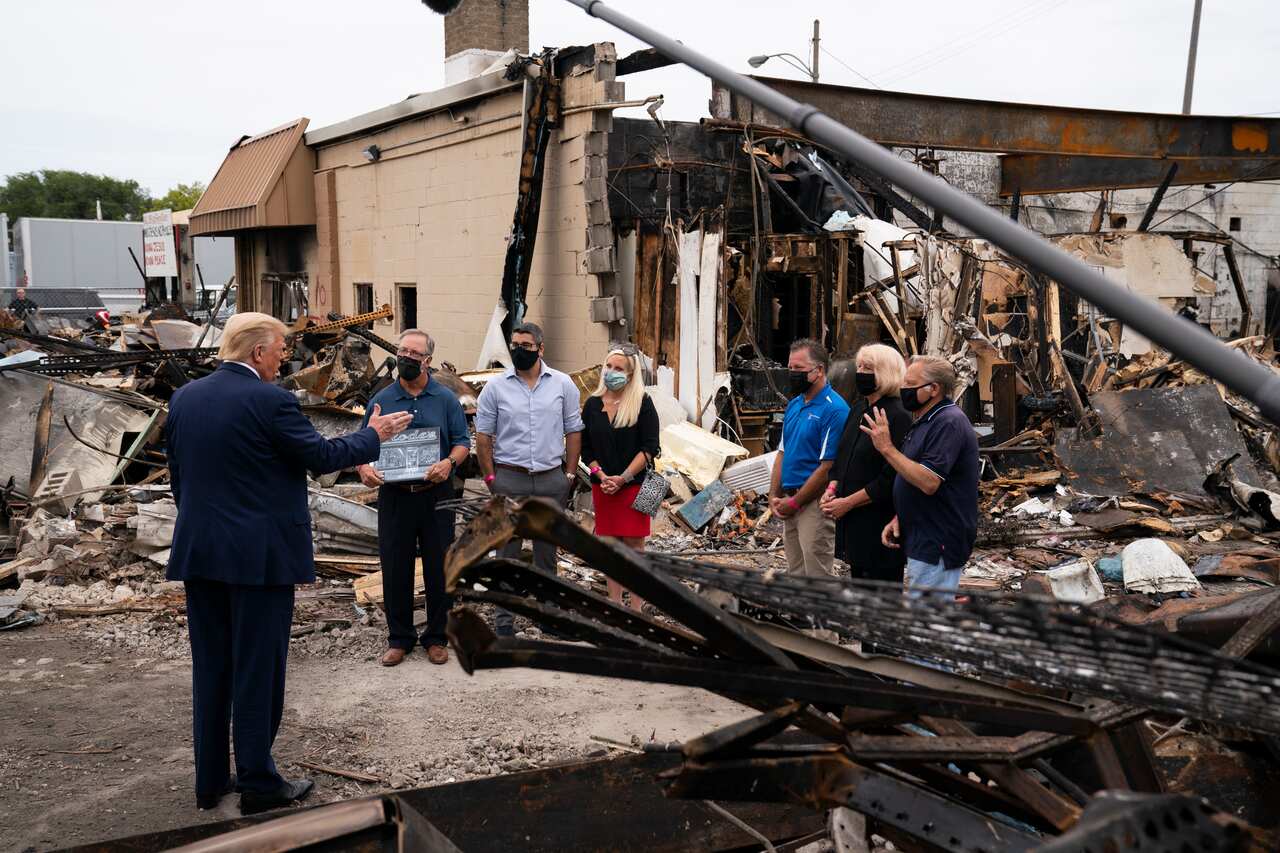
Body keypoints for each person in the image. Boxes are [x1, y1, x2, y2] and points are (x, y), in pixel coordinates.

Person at [165, 312, 411, 815]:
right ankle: (258, 782)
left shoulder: (185, 397)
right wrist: (373, 436)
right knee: (257, 669)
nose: (285, 357)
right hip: (258, 559)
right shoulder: (270, 399)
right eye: (280, 348)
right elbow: (319, 456)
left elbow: (179, 477)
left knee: (211, 669)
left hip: (201, 552)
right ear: (257, 352)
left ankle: (210, 781)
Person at [357, 329, 471, 668]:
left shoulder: (446, 399)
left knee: (439, 568)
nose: (405, 357)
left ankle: (436, 638)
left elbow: (463, 442)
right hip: (394, 495)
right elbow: (363, 443)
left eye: (413, 353)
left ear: (427, 361)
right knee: (395, 567)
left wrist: (449, 463)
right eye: (401, 351)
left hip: (435, 494)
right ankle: (400, 639)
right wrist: (363, 467)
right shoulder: (382, 399)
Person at [474, 322, 584, 636]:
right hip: (510, 479)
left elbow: (573, 430)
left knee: (546, 557)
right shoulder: (496, 388)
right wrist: (492, 479)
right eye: (515, 345)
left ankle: (547, 619)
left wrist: (570, 474)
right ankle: (504, 625)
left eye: (526, 346)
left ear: (540, 348)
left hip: (551, 481)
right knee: (507, 555)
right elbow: (483, 438)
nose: (519, 351)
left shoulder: (563, 384)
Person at [861, 355, 979, 597]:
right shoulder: (925, 421)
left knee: (927, 620)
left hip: (939, 537)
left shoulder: (948, 422)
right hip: (921, 532)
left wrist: (887, 448)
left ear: (933, 389)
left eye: (910, 385)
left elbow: (928, 481)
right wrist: (900, 517)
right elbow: (910, 474)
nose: (903, 389)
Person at [820, 344, 911, 583]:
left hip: (879, 522)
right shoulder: (859, 408)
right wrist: (832, 489)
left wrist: (847, 503)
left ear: (886, 372)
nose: (860, 372)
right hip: (853, 522)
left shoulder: (898, 415)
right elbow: (842, 458)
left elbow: (890, 478)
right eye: (859, 366)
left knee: (880, 596)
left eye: (868, 368)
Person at [580, 343, 660, 610]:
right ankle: (615, 604)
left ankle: (636, 608)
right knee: (611, 546)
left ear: (630, 374)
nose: (611, 372)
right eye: (609, 367)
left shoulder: (642, 404)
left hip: (634, 485)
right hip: (603, 487)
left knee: (635, 545)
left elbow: (650, 447)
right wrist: (600, 475)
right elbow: (585, 449)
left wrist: (622, 478)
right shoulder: (592, 405)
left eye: (618, 369)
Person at [769, 339, 850, 578]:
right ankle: (797, 616)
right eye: (790, 368)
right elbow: (782, 453)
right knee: (795, 573)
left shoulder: (834, 409)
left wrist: (795, 502)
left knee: (817, 576)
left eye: (798, 369)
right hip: (789, 500)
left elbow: (827, 468)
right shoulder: (794, 405)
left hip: (814, 505)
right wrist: (774, 495)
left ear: (819, 371)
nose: (792, 374)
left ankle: (823, 617)